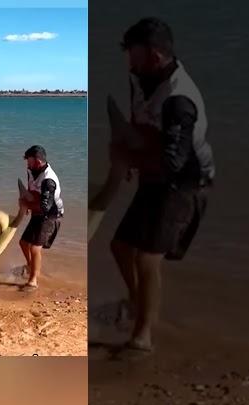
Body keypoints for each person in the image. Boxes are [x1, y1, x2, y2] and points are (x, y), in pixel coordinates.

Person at [89, 18, 215, 352]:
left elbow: (175, 161)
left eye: (134, 53)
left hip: (185, 184)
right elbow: (141, 119)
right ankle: (137, 302)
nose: (129, 61)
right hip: (156, 177)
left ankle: (143, 336)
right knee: (119, 246)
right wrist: (130, 148)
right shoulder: (143, 78)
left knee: (147, 258)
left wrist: (130, 159)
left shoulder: (179, 100)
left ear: (155, 54)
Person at [18, 145, 65, 291]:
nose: (27, 163)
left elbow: (46, 207)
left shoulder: (48, 181)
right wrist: (24, 201)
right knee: (23, 243)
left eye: (29, 161)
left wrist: (28, 205)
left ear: (38, 161)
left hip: (51, 216)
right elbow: (30, 188)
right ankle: (31, 266)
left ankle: (33, 281)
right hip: (38, 213)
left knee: (35, 248)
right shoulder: (32, 170)